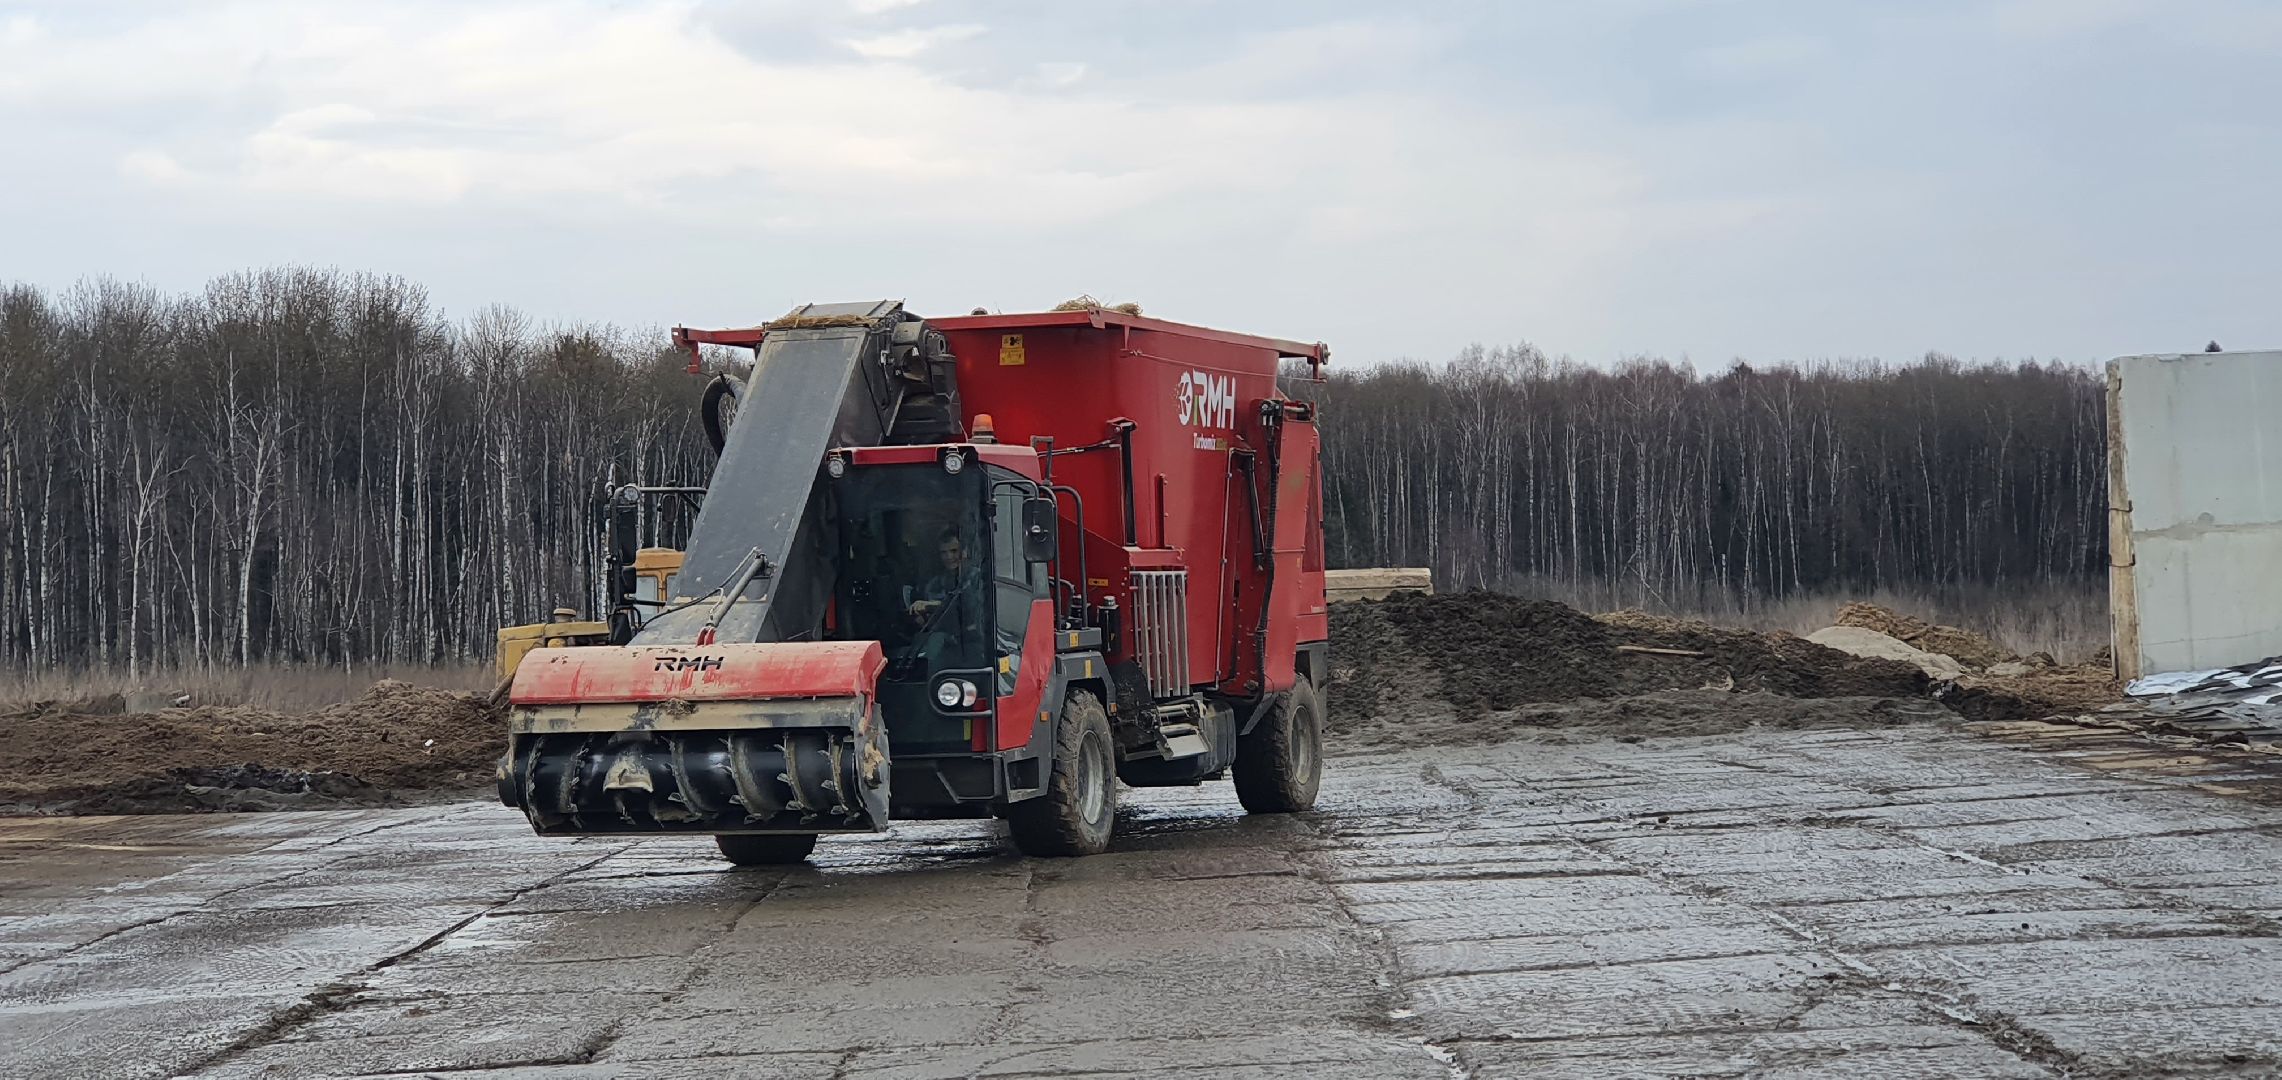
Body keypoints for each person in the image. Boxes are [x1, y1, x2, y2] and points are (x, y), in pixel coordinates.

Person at [908, 527, 983, 667]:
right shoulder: (933, 585)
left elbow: (968, 609)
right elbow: (928, 624)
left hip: (974, 648)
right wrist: (920, 617)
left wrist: (930, 605)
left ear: (964, 552)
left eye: (953, 551)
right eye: (944, 553)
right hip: (942, 650)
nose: (949, 557)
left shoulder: (978, 579)